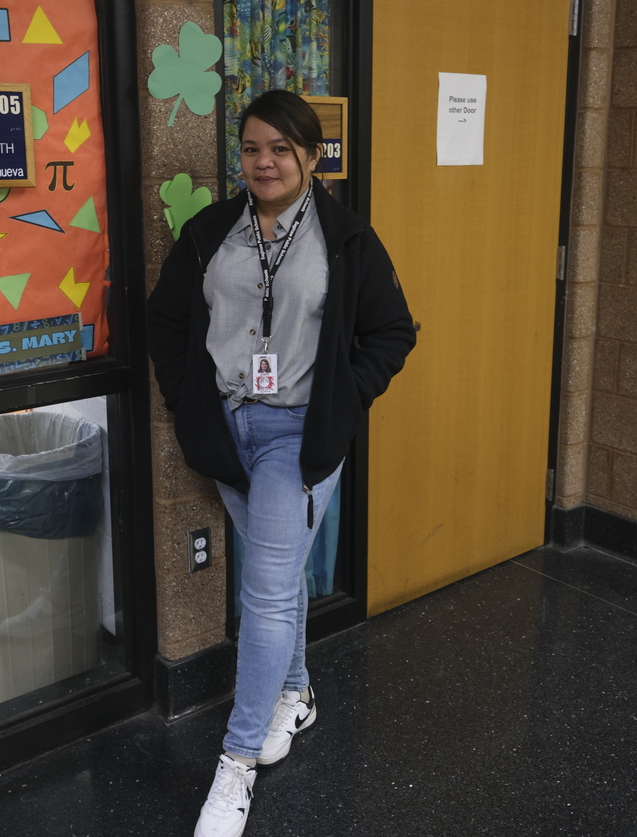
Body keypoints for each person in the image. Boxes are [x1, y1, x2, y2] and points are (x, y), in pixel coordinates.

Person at [147, 90, 416, 837]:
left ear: (312, 157)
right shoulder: (210, 233)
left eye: (280, 149)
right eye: (251, 149)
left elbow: (392, 332)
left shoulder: (346, 238)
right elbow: (166, 320)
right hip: (225, 429)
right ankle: (294, 692)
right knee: (282, 570)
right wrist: (185, 401)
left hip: (295, 435)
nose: (263, 163)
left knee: (264, 593)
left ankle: (234, 766)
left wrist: (341, 400)